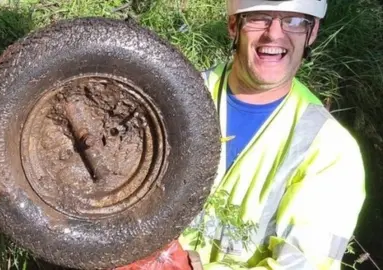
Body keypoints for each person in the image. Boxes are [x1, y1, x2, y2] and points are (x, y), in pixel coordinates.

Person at [116, 0, 366, 269]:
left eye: (294, 21)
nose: (275, 33)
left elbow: (303, 265)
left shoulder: (330, 149)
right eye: (259, 17)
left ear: (312, 31)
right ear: (234, 25)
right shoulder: (169, 102)